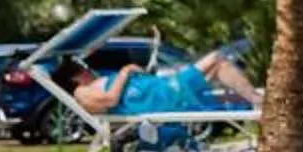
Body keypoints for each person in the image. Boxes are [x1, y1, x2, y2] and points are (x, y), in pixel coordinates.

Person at [59, 49, 259, 118]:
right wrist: (125, 72)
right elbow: (110, 99)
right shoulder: (81, 92)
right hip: (164, 95)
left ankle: (255, 101)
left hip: (163, 90)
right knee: (215, 58)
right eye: (83, 69)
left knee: (220, 66)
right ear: (75, 79)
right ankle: (256, 101)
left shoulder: (92, 84)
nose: (88, 70)